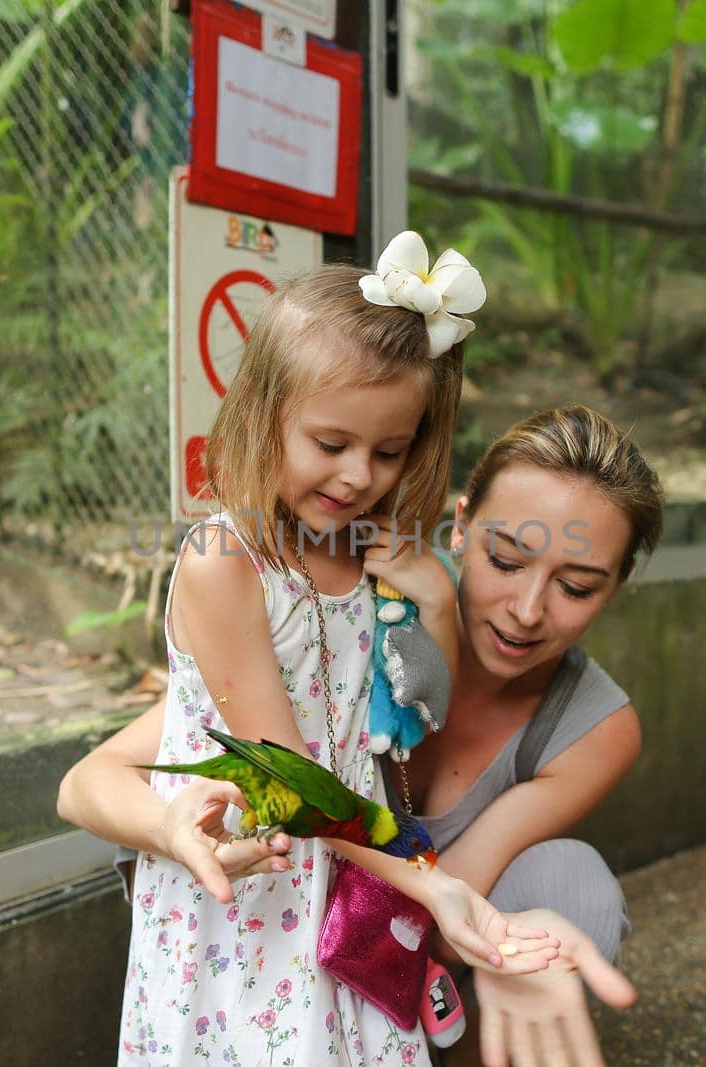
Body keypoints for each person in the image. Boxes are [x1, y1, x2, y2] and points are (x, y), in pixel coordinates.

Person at [57, 234, 559, 1066]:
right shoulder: (226, 563)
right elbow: (293, 780)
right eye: (331, 443)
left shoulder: (366, 557)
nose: (360, 474)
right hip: (256, 896)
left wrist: (427, 592)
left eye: (388, 450)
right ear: (265, 415)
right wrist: (430, 880)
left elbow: (391, 713)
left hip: (346, 885)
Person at [402, 404, 663, 1066]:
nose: (526, 612)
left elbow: (431, 928)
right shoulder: (370, 605)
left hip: (434, 983)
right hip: (288, 946)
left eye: (574, 587)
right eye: (506, 559)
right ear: (459, 527)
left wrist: (537, 938)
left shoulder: (596, 725)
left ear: (615, 586)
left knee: (575, 887)